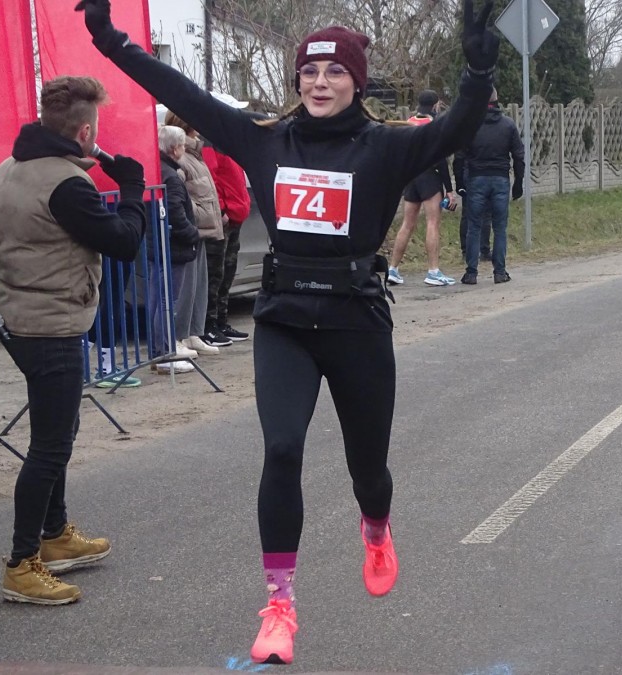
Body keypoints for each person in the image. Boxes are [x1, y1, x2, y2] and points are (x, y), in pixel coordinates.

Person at [75, 0, 499, 663]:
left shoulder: (388, 146)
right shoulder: (265, 139)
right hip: (285, 321)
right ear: (297, 79)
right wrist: (110, 39)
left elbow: (459, 126)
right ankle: (279, 606)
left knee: (369, 471)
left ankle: (376, 527)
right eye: (309, 72)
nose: (320, 83)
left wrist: (478, 69)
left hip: (356, 321)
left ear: (357, 81)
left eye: (335, 72)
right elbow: (179, 91)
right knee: (280, 449)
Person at [0, 75, 148, 604]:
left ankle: (55, 533)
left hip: (21, 320)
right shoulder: (67, 186)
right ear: (85, 132)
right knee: (51, 445)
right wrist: (132, 188)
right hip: (51, 326)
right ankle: (22, 563)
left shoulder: (6, 172)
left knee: (59, 428)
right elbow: (125, 242)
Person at [163, 110, 229, 353]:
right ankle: (179, 335)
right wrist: (197, 218)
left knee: (198, 285)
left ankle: (192, 332)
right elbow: (181, 197)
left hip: (202, 228)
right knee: (185, 287)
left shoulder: (195, 154)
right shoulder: (183, 159)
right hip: (193, 229)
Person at [454, 87, 525, 285]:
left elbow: (459, 157)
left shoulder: (470, 126)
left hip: (476, 178)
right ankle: (500, 272)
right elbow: (519, 156)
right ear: (497, 99)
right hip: (500, 179)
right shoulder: (508, 125)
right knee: (500, 227)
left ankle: (471, 273)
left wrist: (459, 183)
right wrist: (518, 183)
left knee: (474, 226)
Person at [387, 89, 458, 287]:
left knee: (407, 224)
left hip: (411, 178)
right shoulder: (434, 125)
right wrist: (449, 189)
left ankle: (393, 269)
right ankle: (433, 271)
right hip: (429, 177)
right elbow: (441, 159)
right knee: (432, 223)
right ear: (435, 105)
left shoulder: (408, 123)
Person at [201, 100, 252, 342]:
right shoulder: (210, 141)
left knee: (227, 273)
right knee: (215, 274)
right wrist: (222, 209)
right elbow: (210, 179)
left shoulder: (226, 140)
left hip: (234, 216)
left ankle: (221, 321)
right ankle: (209, 324)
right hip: (224, 218)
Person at [157, 124, 202, 373]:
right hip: (173, 246)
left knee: (162, 299)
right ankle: (165, 351)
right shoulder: (171, 177)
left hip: (164, 245)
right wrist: (192, 234)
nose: (184, 149)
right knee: (167, 300)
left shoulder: (162, 170)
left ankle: (163, 350)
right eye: (183, 145)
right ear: (175, 149)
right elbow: (175, 211)